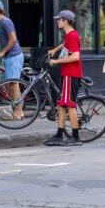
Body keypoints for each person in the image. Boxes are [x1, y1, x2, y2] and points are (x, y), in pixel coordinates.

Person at [44, 10, 83, 146]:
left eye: (59, 19)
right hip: (67, 74)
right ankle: (59, 135)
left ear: (65, 21)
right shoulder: (69, 35)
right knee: (61, 105)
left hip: (71, 75)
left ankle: (76, 137)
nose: (57, 21)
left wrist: (56, 61)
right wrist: (55, 50)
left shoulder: (72, 36)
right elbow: (66, 44)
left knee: (70, 106)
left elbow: (76, 56)